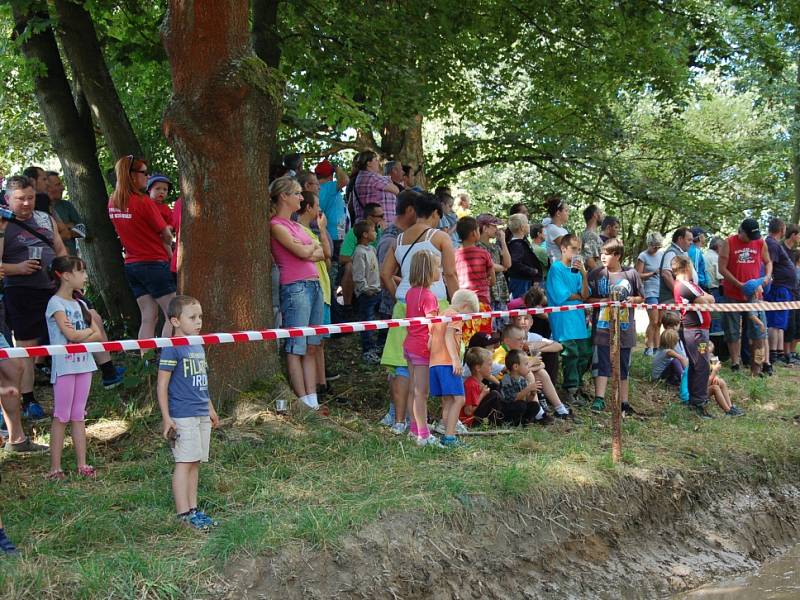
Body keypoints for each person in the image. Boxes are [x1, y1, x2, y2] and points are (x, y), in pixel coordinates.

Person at [380, 192, 458, 435]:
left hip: (404, 305)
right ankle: (447, 421)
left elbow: (385, 274)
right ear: (435, 214)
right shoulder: (441, 237)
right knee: (444, 361)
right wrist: (456, 306)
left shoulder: (399, 239)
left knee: (402, 365)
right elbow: (451, 274)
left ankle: (400, 421)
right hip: (436, 304)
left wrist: (400, 295)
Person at [1, 175, 68, 420]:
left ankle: (67, 393)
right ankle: (28, 400)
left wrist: (66, 277)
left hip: (53, 288)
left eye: (30, 198)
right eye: (20, 199)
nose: (27, 204)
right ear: (8, 199)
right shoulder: (2, 224)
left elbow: (60, 249)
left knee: (62, 338)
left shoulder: (44, 218)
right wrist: (17, 268)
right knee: (27, 346)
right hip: (20, 291)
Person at [157, 295, 220, 530]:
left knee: (195, 461)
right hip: (182, 414)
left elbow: (202, 380)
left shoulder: (198, 344)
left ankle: (194, 510)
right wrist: (166, 418)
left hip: (201, 412)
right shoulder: (172, 348)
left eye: (200, 317)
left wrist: (210, 407)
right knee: (184, 462)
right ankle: (183, 513)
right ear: (175, 321)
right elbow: (162, 385)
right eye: (192, 317)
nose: (198, 322)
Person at [269, 177, 326, 411]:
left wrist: (307, 249)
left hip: (314, 286)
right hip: (295, 287)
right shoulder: (275, 225)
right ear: (284, 196)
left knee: (312, 345)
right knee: (296, 346)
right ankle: (303, 400)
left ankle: (313, 399)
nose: (302, 198)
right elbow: (302, 252)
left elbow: (319, 252)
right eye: (297, 194)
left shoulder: (296, 227)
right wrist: (307, 249)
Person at [44, 256, 101, 480]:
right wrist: (84, 334)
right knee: (61, 415)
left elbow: (96, 333)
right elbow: (71, 335)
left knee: (78, 414)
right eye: (81, 271)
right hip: (65, 367)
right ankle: (55, 468)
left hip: (84, 364)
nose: (85, 276)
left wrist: (82, 335)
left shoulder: (81, 304)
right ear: (67, 276)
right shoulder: (55, 304)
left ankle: (82, 464)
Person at [108, 156, 176, 340]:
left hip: (132, 265)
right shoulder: (143, 201)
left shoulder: (113, 201)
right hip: (154, 262)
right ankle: (167, 360)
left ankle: (145, 362)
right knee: (174, 315)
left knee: (148, 317)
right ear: (131, 176)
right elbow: (166, 234)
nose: (147, 176)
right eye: (144, 173)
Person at [587, 239, 644, 414]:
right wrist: (603, 301)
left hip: (625, 328)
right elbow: (587, 298)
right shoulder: (596, 274)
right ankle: (599, 399)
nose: (602, 257)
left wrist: (632, 300)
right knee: (602, 362)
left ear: (617, 255)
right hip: (603, 328)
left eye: (607, 253)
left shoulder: (631, 273)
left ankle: (624, 402)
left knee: (623, 366)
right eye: (601, 253)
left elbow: (641, 297)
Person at [376, 192, 417, 426]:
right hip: (395, 309)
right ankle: (394, 415)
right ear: (411, 210)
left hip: (404, 308)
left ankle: (398, 414)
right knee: (396, 366)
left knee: (403, 365)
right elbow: (385, 274)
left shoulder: (404, 236)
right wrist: (401, 296)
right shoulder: (393, 238)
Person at [718, 218, 772, 373]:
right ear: (741, 231)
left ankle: (757, 366)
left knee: (759, 331)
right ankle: (735, 363)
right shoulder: (728, 243)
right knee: (732, 329)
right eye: (749, 236)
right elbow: (722, 268)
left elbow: (768, 262)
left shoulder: (760, 242)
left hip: (754, 294)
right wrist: (739, 285)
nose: (752, 240)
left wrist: (767, 277)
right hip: (732, 293)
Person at [429, 289, 479, 447]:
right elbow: (449, 336)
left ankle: (447, 433)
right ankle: (450, 437)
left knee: (448, 400)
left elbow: (430, 342)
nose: (467, 319)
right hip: (447, 363)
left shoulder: (441, 315)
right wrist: (455, 359)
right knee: (460, 399)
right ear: (464, 307)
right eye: (469, 315)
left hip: (435, 364)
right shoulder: (455, 316)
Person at [545, 234, 591, 404]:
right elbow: (561, 296)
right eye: (573, 249)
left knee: (585, 353)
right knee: (570, 353)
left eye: (578, 249)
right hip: (563, 321)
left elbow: (585, 295)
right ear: (563, 249)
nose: (576, 253)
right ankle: (570, 390)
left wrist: (585, 275)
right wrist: (577, 295)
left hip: (578, 321)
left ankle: (577, 386)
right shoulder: (556, 268)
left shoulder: (577, 271)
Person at [403, 250, 443, 447]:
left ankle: (414, 429)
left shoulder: (411, 293)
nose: (440, 270)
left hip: (410, 345)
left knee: (413, 390)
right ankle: (423, 434)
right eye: (437, 266)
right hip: (422, 349)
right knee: (422, 393)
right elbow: (433, 324)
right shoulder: (429, 296)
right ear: (429, 270)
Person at [296, 192, 333, 395]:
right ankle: (319, 385)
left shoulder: (312, 232)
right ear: (308, 207)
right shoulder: (300, 231)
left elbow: (326, 258)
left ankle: (322, 383)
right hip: (313, 290)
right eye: (317, 205)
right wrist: (321, 235)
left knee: (319, 342)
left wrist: (322, 231)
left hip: (323, 291)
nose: (320, 210)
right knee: (313, 343)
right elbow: (322, 254)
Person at [672, 255, 715, 418]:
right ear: (687, 267)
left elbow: (710, 298)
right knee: (701, 365)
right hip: (695, 332)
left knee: (700, 363)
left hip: (700, 331)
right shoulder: (683, 286)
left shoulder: (691, 285)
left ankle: (696, 399)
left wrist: (705, 298)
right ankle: (698, 401)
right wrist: (705, 298)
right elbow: (705, 301)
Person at [338, 202, 385, 312]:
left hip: (376, 267)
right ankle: (348, 307)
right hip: (361, 267)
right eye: (380, 216)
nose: (383, 219)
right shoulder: (354, 232)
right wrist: (365, 259)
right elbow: (343, 258)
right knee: (349, 267)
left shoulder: (381, 232)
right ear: (369, 218)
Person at [454, 216, 494, 342]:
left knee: (465, 339)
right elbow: (492, 279)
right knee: (483, 338)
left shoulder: (455, 254)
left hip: (462, 304)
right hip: (481, 302)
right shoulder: (484, 253)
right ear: (473, 233)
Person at [764, 218, 797, 367]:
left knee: (780, 323)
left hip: (785, 288)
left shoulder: (774, 244)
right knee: (775, 322)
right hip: (778, 288)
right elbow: (768, 265)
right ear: (782, 229)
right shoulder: (771, 243)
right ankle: (772, 353)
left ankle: (778, 353)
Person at [351, 220, 382, 363]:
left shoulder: (372, 249)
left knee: (375, 320)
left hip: (376, 290)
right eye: (373, 230)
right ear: (365, 234)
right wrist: (364, 289)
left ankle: (374, 346)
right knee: (367, 321)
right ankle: (367, 350)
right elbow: (358, 275)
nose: (375, 233)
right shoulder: (359, 252)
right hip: (367, 294)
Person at [499, 350, 551, 425]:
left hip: (520, 406)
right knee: (520, 405)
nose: (528, 367)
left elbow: (527, 400)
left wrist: (533, 393)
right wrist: (528, 388)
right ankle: (512, 422)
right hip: (508, 410)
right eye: (526, 364)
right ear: (516, 367)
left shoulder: (522, 379)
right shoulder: (506, 379)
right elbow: (513, 399)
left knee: (534, 405)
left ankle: (525, 421)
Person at [477, 213, 511, 322]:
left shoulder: (495, 246)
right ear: (485, 228)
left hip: (500, 289)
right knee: (491, 325)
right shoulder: (477, 247)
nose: (497, 229)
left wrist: (503, 242)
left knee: (503, 325)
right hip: (488, 291)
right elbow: (489, 265)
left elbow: (508, 264)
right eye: (494, 226)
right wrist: (502, 267)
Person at [315, 159, 349, 264]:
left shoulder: (318, 189)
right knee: (336, 266)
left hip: (330, 234)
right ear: (330, 176)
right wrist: (337, 167)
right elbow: (345, 180)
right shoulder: (329, 186)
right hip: (335, 234)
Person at [636, 231, 664, 355]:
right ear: (649, 244)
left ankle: (657, 348)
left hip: (661, 292)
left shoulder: (662, 255)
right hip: (649, 291)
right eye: (655, 246)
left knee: (659, 322)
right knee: (653, 320)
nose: (657, 248)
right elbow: (638, 275)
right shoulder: (643, 256)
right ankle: (648, 347)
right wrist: (653, 273)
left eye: (659, 246)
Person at [460, 347, 503, 427]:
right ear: (478, 368)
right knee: (494, 395)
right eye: (489, 365)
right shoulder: (471, 384)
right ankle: (496, 424)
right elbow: (468, 411)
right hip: (470, 421)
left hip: (476, 418)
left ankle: (497, 422)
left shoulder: (478, 383)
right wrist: (482, 395)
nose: (492, 367)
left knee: (495, 391)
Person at [352, 151, 399, 223]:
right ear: (369, 163)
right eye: (376, 160)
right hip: (380, 225)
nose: (378, 163)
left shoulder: (359, 178)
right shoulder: (373, 177)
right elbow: (396, 190)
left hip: (364, 225)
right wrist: (388, 180)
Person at [46, 171, 84, 256]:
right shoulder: (38, 208)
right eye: (58, 184)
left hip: (71, 260)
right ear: (47, 187)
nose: (63, 187)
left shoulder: (66, 205)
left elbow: (82, 230)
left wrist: (65, 233)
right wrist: (68, 226)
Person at [506, 213, 543, 299]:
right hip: (520, 281)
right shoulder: (517, 245)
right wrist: (531, 271)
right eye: (527, 223)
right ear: (522, 227)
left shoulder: (520, 243)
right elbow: (515, 262)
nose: (529, 225)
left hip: (523, 280)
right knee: (521, 306)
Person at [658, 227, 695, 304]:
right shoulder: (671, 252)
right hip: (670, 300)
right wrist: (679, 294)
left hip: (677, 300)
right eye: (689, 240)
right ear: (680, 239)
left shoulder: (681, 253)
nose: (691, 243)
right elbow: (666, 274)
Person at [707, 342, 744, 416]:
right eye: (708, 354)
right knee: (715, 388)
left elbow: (713, 374)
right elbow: (705, 385)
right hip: (695, 394)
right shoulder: (699, 363)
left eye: (712, 353)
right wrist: (714, 372)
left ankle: (730, 407)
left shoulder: (711, 358)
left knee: (721, 382)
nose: (711, 356)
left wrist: (715, 374)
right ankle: (727, 411)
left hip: (703, 387)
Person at [705, 236, 724, 338]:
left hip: (705, 291)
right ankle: (717, 347)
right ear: (718, 246)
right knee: (717, 319)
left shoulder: (704, 256)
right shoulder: (716, 258)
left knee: (709, 319)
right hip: (716, 291)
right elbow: (721, 277)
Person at [543, 195, 570, 262]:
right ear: (558, 213)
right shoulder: (553, 229)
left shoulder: (562, 230)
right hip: (559, 269)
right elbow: (568, 250)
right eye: (566, 211)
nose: (568, 213)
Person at [581, 204, 604, 271]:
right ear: (595, 215)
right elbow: (589, 260)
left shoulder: (591, 234)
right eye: (600, 212)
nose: (602, 215)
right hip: (595, 278)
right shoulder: (590, 235)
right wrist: (603, 276)